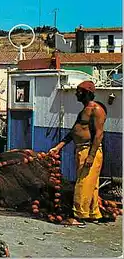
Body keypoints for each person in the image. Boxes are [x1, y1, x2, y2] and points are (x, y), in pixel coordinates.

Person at [48, 80, 107, 225]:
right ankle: (94, 214)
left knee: (83, 183)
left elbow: (99, 134)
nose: (76, 94)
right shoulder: (84, 110)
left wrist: (91, 156)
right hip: (82, 150)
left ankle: (78, 216)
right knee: (91, 184)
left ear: (87, 93)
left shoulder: (96, 110)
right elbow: (73, 132)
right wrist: (59, 146)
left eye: (79, 91)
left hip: (89, 151)